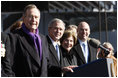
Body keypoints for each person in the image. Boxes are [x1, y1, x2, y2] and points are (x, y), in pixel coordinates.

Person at [8, 4, 49, 77]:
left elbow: (45, 65)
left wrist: (61, 69)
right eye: (30, 16)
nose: (34, 20)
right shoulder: (14, 37)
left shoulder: (44, 39)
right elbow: (9, 65)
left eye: (36, 17)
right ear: (23, 18)